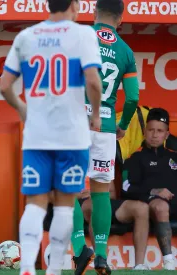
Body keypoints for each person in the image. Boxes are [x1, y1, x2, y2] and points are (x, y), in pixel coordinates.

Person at [0, 0, 103, 274]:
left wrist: (22, 108)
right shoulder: (83, 34)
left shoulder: (26, 36)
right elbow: (93, 80)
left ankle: (27, 269)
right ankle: (54, 269)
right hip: (72, 136)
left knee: (35, 203)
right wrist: (95, 116)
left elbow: (5, 85)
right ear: (75, 5)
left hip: (37, 136)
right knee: (65, 206)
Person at [70, 0, 140, 273]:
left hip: (76, 122)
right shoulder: (125, 50)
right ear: (120, 20)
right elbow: (133, 97)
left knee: (66, 190)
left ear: (94, 13)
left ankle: (79, 249)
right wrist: (122, 124)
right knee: (100, 193)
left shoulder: (79, 38)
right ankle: (101, 253)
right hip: (106, 127)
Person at [122, 107, 176, 270]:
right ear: (145, 132)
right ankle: (169, 263)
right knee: (161, 206)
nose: (155, 134)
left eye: (159, 131)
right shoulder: (135, 157)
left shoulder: (174, 155)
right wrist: (154, 191)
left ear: (166, 134)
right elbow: (126, 187)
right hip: (151, 203)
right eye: (151, 130)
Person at [75, 180, 150, 270]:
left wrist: (95, 194)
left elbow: (112, 193)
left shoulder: (102, 167)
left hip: (103, 199)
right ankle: (101, 261)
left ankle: (139, 265)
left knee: (141, 208)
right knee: (98, 206)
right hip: (80, 202)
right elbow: (59, 194)